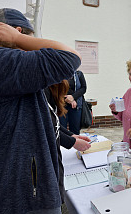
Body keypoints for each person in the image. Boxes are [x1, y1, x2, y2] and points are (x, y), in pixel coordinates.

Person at [0, 8, 82, 213]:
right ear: (16, 32)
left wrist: (69, 137)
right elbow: (69, 57)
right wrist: (20, 38)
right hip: (13, 196)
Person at [44, 82, 91, 211]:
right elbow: (48, 127)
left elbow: (55, 123)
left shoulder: (47, 92)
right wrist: (73, 142)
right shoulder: (42, 93)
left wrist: (72, 136)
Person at [59, 70, 87, 134]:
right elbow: (56, 88)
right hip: (61, 105)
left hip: (76, 106)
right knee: (62, 130)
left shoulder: (78, 74)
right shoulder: (59, 72)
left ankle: (75, 143)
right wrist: (67, 98)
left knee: (75, 131)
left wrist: (73, 97)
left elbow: (83, 88)